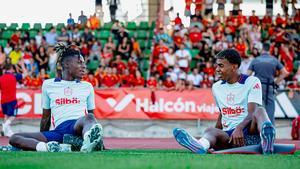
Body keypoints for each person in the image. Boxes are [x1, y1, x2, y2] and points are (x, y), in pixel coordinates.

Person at [173, 49, 276, 155]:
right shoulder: (216, 87)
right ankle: (202, 145)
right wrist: (212, 140)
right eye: (217, 66)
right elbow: (223, 114)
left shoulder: (252, 81)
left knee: (260, 111)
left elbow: (252, 112)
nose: (217, 69)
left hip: (250, 134)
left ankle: (267, 139)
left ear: (234, 67)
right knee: (210, 130)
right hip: (230, 137)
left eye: (221, 66)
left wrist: (239, 128)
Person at [8, 43, 104, 152]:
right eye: (79, 62)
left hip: (78, 126)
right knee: (14, 138)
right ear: (66, 64)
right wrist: (42, 139)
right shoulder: (48, 85)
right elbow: (46, 117)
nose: (84, 66)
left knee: (89, 117)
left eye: (83, 63)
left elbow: (92, 121)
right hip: (58, 132)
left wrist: (96, 137)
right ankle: (48, 147)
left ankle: (88, 143)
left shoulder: (87, 86)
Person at [247, 43, 289, 124]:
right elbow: (285, 73)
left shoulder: (256, 60)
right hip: (269, 86)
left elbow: (247, 75)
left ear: (262, 49)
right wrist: (275, 82)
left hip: (257, 87)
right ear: (269, 50)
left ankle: (256, 131)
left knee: (256, 110)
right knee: (270, 110)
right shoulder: (274, 60)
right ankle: (270, 132)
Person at [0, 65, 17, 137]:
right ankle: (5, 125)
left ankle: (8, 132)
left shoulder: (1, 78)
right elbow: (25, 75)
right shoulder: (14, 76)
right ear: (11, 69)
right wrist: (22, 66)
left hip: (3, 100)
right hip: (11, 100)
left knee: (6, 116)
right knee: (13, 116)